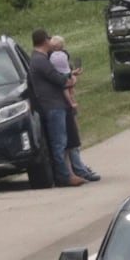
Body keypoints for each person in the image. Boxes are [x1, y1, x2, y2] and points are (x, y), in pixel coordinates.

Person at [28, 28, 85, 186]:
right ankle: (63, 176)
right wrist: (70, 81)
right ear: (45, 40)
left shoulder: (40, 58)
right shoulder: (40, 60)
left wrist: (70, 73)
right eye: (48, 39)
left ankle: (69, 173)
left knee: (63, 141)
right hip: (52, 105)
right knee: (59, 142)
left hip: (56, 104)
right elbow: (56, 78)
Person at [49, 36, 100, 182]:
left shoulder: (55, 59)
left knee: (73, 138)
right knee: (73, 139)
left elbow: (67, 78)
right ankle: (79, 169)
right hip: (66, 104)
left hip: (66, 102)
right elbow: (65, 83)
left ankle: (79, 167)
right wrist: (71, 98)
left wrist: (73, 74)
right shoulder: (59, 60)